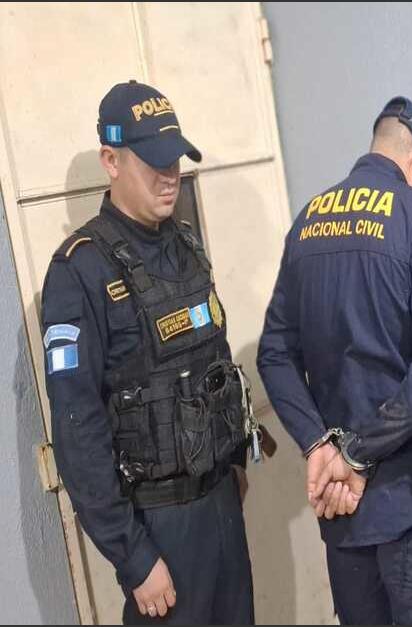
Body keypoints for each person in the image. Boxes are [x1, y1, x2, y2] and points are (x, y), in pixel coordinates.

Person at [41, 80, 255, 624]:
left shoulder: (186, 246)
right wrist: (133, 557)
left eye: (174, 160)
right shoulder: (80, 271)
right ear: (110, 161)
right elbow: (78, 430)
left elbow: (214, 365)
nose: (169, 175)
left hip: (221, 508)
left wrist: (232, 463)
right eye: (153, 161)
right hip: (158, 529)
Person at [257, 96, 412, 625]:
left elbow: (273, 353)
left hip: (339, 506)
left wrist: (319, 445)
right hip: (407, 498)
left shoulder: (309, 221)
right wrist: (357, 454)